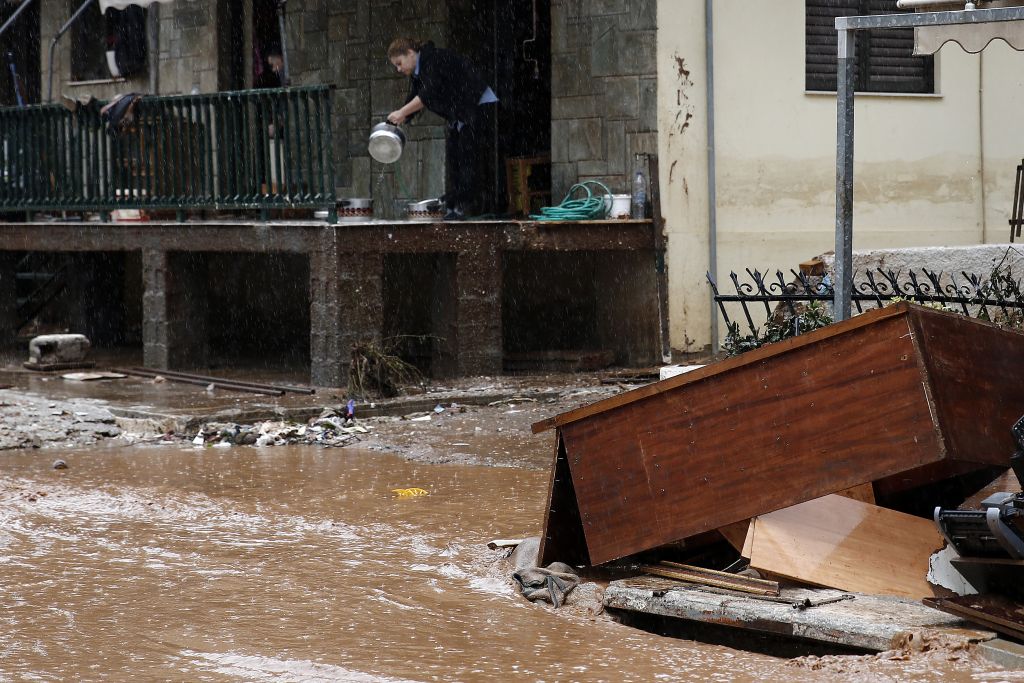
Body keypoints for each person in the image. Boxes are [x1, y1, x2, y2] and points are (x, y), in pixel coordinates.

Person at [386, 38, 498, 221]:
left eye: (399, 63)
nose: (398, 69)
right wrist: (399, 119)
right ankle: (454, 204)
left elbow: (428, 93)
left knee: (468, 157)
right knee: (455, 159)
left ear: (410, 53)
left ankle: (463, 206)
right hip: (461, 113)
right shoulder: (419, 72)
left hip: (479, 105)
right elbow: (414, 96)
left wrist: (402, 112)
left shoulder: (434, 61)